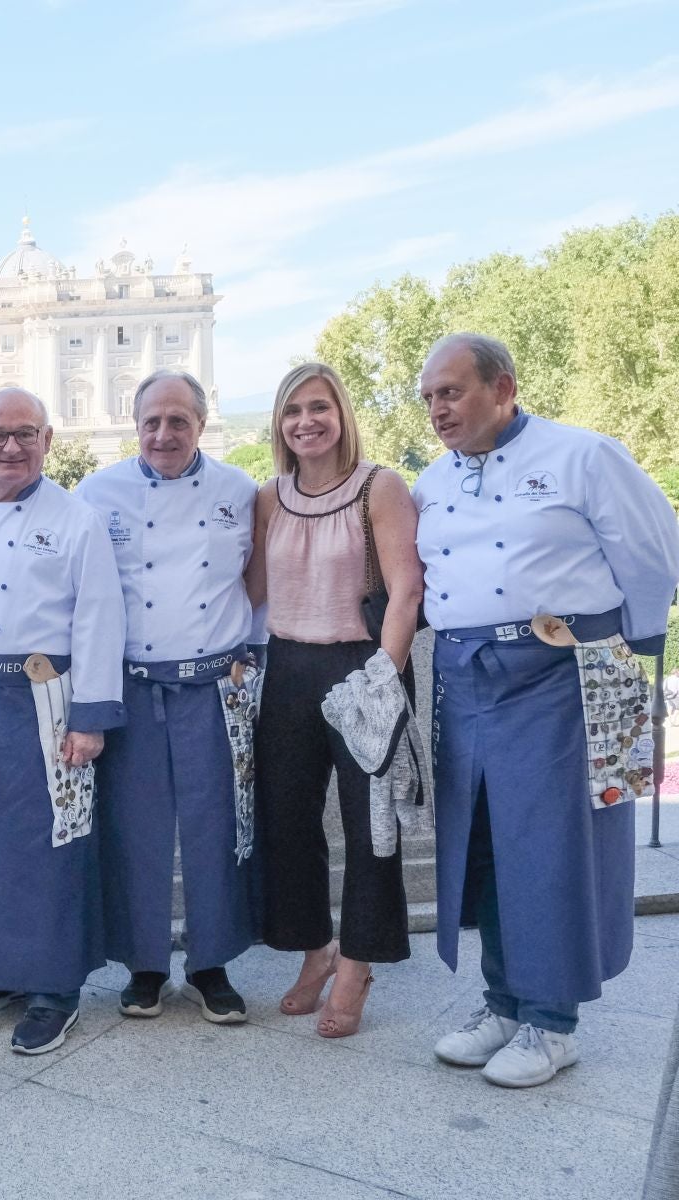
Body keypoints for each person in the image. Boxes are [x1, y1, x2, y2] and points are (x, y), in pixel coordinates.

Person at [416, 334, 679, 1087]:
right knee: (486, 843)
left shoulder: (584, 455)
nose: (438, 408)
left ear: (503, 387)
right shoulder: (432, 481)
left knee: (554, 846)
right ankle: (502, 1002)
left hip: (558, 673)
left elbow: (654, 549)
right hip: (465, 678)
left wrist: (613, 654)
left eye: (453, 391)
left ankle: (552, 1022)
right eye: (430, 396)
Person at [0, 387, 125, 1055]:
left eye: (24, 434)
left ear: (48, 440)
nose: (9, 447)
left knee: (51, 846)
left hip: (40, 702)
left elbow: (100, 619)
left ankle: (54, 987)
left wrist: (90, 719)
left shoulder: (78, 519)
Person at [78, 370, 259, 1023]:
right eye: (152, 421)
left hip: (213, 687)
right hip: (135, 687)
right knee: (135, 831)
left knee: (216, 828)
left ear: (201, 426)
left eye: (178, 420)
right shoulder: (98, 493)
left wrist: (249, 663)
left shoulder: (239, 491)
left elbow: (257, 585)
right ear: (135, 425)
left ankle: (212, 964)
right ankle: (145, 965)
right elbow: (86, 600)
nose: (164, 433)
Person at [247, 362, 422, 1039]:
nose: (306, 422)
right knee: (286, 821)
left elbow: (405, 591)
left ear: (342, 414)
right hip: (287, 665)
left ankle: (357, 965)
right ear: (279, 424)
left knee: (370, 825)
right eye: (293, 411)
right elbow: (253, 591)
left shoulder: (379, 487)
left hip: (363, 665)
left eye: (319, 407)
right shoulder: (270, 496)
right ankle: (316, 948)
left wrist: (385, 675)